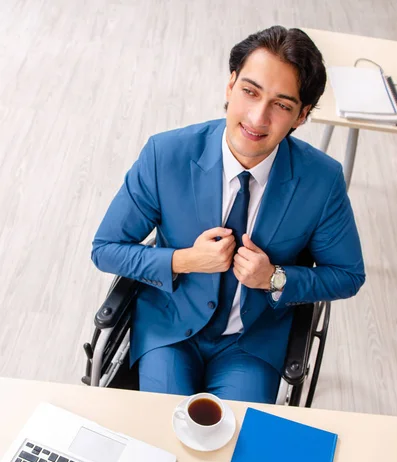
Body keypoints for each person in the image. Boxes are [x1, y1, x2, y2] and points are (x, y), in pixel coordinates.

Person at [92, 25, 365, 403]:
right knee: (164, 432)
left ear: (301, 116)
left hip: (251, 343)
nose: (257, 118)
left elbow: (348, 276)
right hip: (170, 328)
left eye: (281, 105)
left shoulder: (322, 180)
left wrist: (274, 278)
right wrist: (185, 260)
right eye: (249, 92)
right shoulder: (165, 155)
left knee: (238, 444)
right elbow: (105, 248)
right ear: (230, 85)